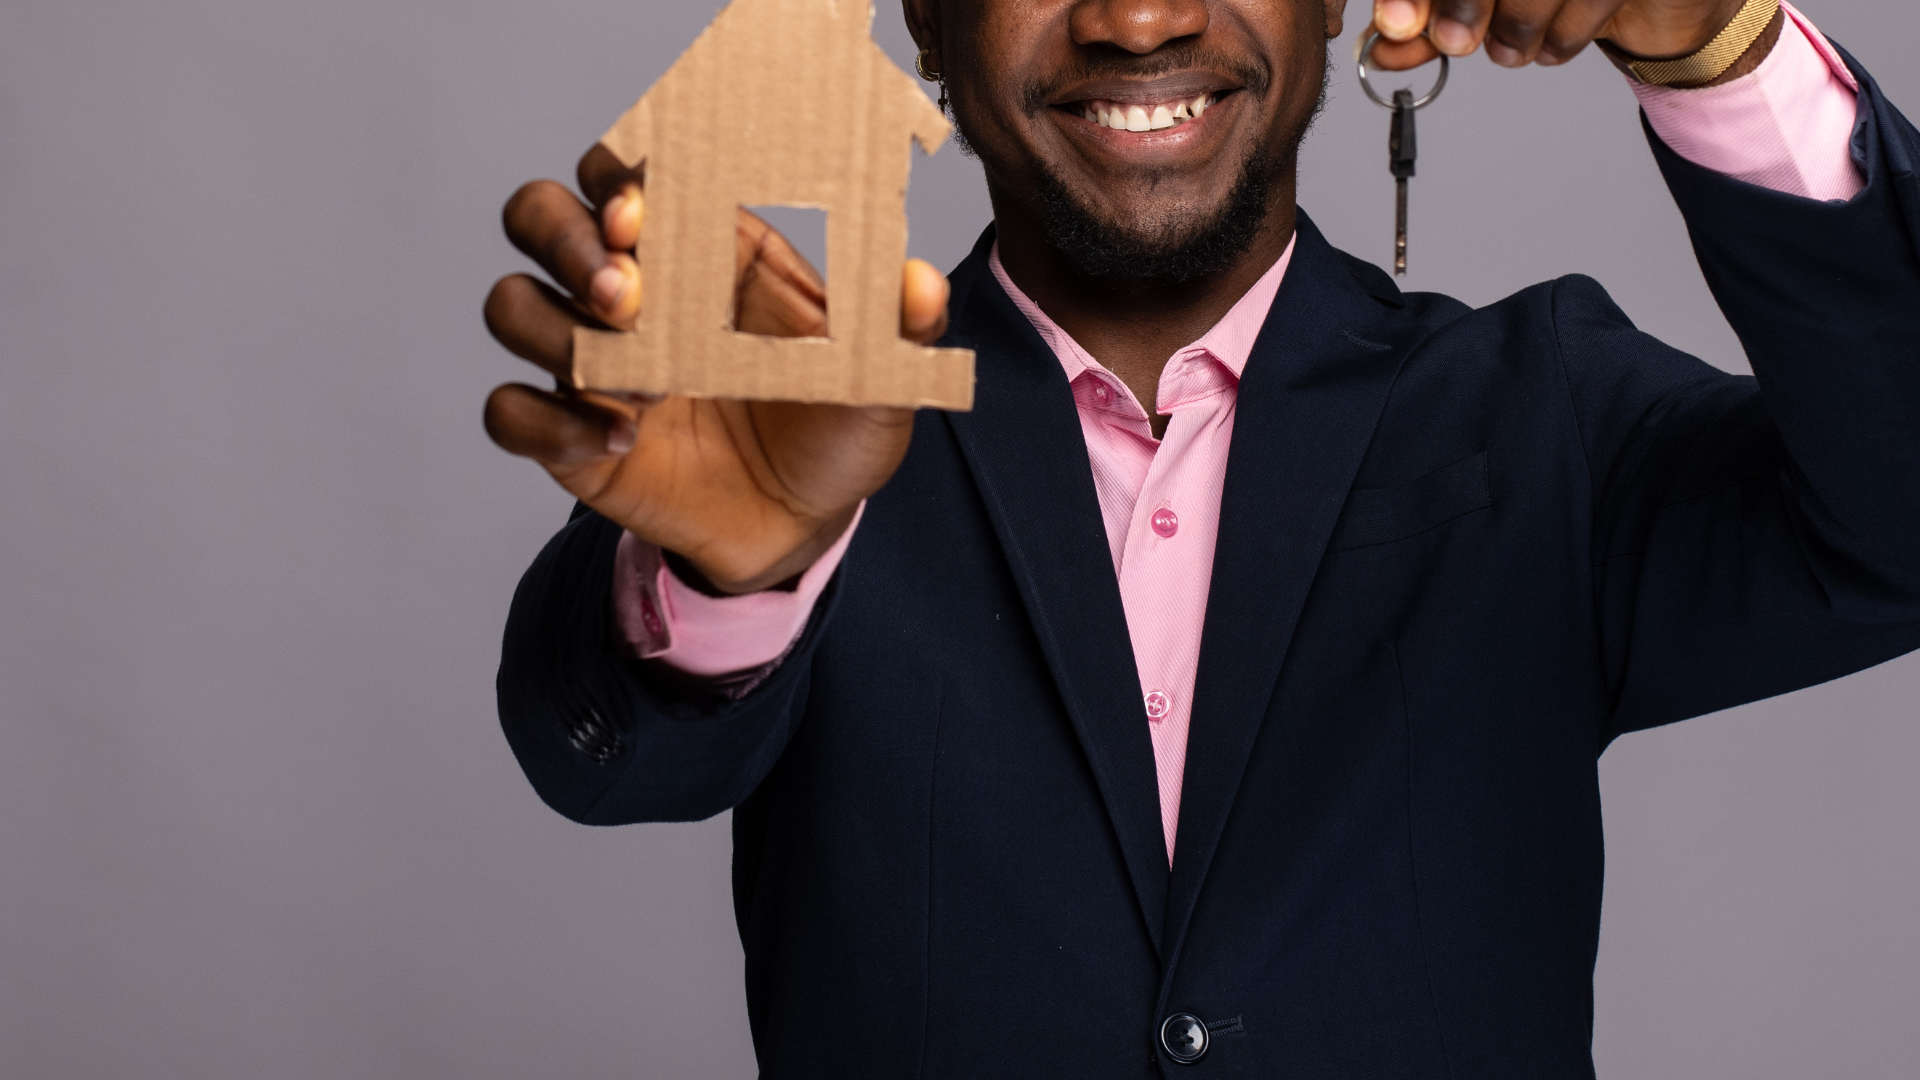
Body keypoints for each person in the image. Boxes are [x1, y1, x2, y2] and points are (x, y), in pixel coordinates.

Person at [481, 0, 1920, 1072]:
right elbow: (602, 755)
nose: (1138, 17)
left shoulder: (1539, 418)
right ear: (920, 15)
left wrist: (1720, 45)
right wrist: (744, 569)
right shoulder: (811, 433)